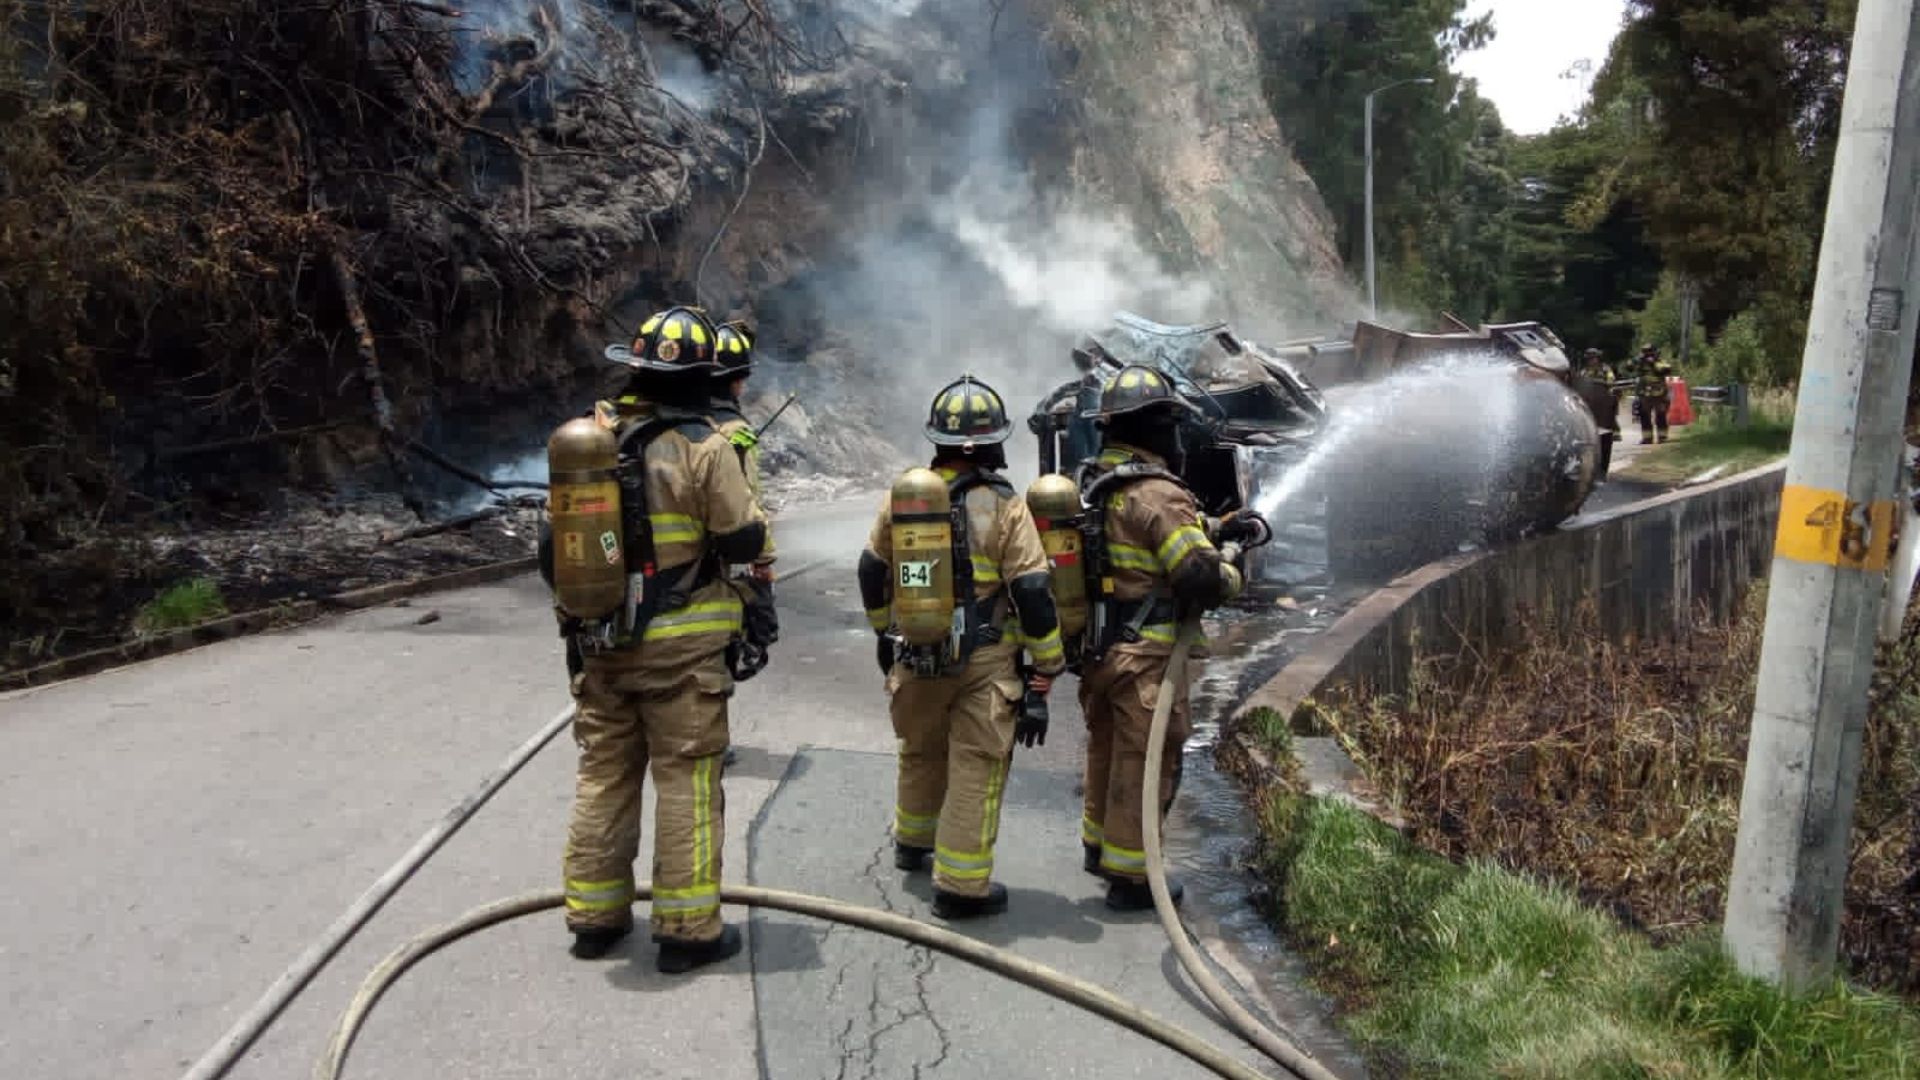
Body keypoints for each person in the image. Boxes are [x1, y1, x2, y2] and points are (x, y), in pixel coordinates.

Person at [547, 305, 770, 972]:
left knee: (604, 775)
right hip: (683, 650)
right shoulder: (704, 447)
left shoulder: (590, 441)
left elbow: (552, 545)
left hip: (600, 639)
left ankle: (594, 920)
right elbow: (743, 539)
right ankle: (687, 931)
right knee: (687, 779)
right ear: (704, 378)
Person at [857, 376, 1066, 920]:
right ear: (994, 443)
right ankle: (960, 887)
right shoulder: (1005, 506)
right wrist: (1048, 664)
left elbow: (871, 568)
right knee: (976, 762)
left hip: (916, 648)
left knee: (921, 748)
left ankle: (912, 844)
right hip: (984, 657)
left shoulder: (905, 498)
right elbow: (1033, 590)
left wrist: (884, 630)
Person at [1075, 365, 1268, 911]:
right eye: (1173, 425)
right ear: (1153, 427)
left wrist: (1216, 527)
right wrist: (1230, 564)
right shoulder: (1161, 494)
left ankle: (1099, 846)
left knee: (1106, 749)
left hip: (1102, 650)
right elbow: (1198, 579)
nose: (1179, 438)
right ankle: (1133, 877)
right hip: (1149, 658)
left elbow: (1142, 531)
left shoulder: (1095, 480)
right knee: (1148, 758)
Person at [708, 320, 779, 765]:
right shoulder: (734, 433)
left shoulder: (657, 422)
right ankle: (711, 738)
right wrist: (764, 560)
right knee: (714, 646)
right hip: (711, 565)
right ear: (734, 380)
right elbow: (749, 503)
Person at [1630, 343, 1675, 444]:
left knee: (1661, 415)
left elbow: (1667, 369)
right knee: (1644, 416)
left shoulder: (1660, 362)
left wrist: (1653, 363)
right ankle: (1647, 438)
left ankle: (1662, 437)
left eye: (1649, 353)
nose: (1647, 355)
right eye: (1645, 353)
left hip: (1659, 393)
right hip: (1644, 393)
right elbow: (1629, 367)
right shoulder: (1640, 362)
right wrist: (1636, 360)